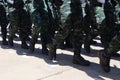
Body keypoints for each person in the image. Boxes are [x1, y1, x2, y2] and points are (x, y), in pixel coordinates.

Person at [47, 0, 90, 66]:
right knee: (64, 30)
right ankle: (53, 45)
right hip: (65, 4)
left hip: (77, 4)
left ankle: (77, 56)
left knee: (79, 31)